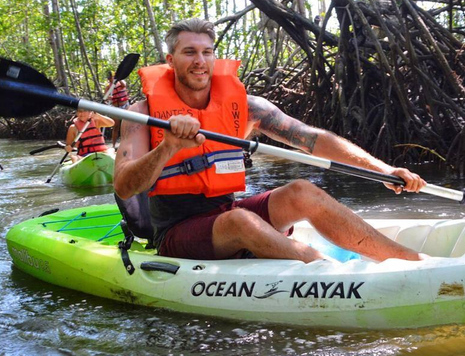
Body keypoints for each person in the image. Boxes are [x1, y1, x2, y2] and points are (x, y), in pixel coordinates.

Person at [114, 18, 428, 263]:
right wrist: (167, 146)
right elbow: (125, 186)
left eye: (206, 52)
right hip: (176, 232)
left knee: (302, 192)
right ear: (171, 60)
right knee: (239, 221)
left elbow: (312, 140)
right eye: (189, 52)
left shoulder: (247, 108)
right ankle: (329, 270)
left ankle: (411, 261)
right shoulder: (142, 114)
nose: (200, 61)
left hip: (226, 214)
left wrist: (382, 169)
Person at [104, 70, 130, 147]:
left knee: (126, 125)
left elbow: (124, 85)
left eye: (111, 77)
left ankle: (126, 144)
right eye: (109, 78)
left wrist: (118, 77)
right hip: (116, 108)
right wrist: (108, 97)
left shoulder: (120, 82)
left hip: (125, 106)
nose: (110, 79)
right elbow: (105, 98)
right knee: (116, 127)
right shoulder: (108, 87)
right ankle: (113, 145)